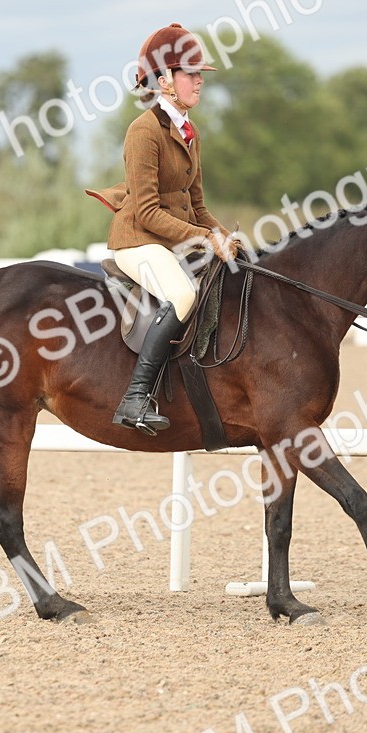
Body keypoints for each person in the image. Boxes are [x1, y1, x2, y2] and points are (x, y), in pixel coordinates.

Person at [89, 23, 238, 434]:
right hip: (138, 241)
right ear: (164, 80)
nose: (198, 82)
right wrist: (205, 238)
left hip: (169, 241)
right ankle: (135, 398)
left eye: (199, 75)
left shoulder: (190, 132)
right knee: (182, 292)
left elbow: (198, 205)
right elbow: (148, 212)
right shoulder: (143, 131)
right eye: (191, 74)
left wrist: (223, 235)